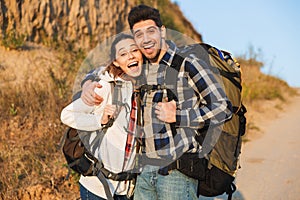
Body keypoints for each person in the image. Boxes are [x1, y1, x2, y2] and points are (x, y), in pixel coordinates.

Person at [81, 4, 232, 200]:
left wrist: (178, 116)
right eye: (139, 34)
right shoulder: (141, 67)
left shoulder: (187, 63)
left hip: (177, 172)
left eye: (150, 31)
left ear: (162, 31)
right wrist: (88, 82)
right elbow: (109, 68)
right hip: (143, 172)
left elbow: (223, 107)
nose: (145, 39)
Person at [60, 33, 144, 200]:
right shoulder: (104, 86)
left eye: (134, 50)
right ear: (115, 62)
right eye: (123, 53)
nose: (130, 56)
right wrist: (99, 120)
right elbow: (67, 114)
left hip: (127, 190)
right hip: (97, 187)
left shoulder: (145, 90)